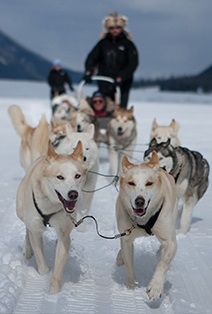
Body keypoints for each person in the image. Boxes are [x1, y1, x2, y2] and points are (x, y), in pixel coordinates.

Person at [83, 12, 139, 109]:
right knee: (106, 107)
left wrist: (122, 76)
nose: (115, 30)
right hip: (105, 81)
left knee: (121, 109)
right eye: (112, 28)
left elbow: (133, 63)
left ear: (122, 28)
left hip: (123, 83)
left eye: (117, 28)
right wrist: (89, 71)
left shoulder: (128, 44)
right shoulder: (103, 43)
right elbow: (92, 58)